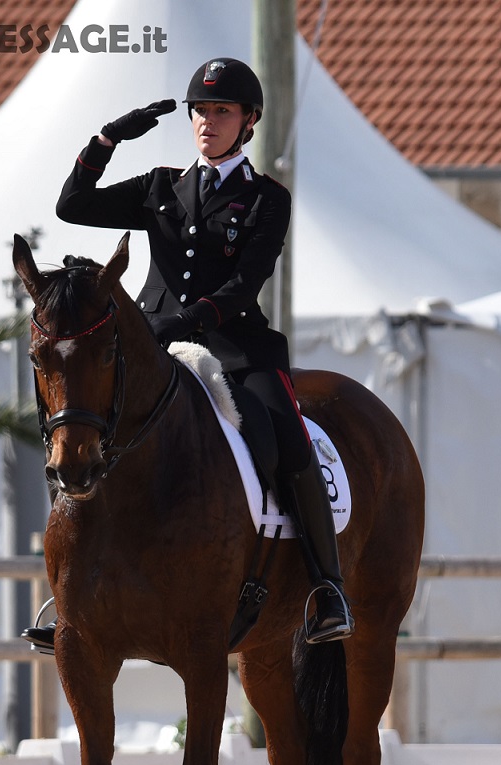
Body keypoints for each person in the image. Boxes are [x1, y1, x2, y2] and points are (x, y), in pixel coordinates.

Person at [23, 57, 353, 651]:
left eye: (222, 111)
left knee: (285, 438)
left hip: (233, 344)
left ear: (248, 121)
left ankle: (326, 587)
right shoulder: (160, 187)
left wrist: (187, 320)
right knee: (79, 421)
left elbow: (243, 285)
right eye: (200, 111)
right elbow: (72, 205)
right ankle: (70, 592)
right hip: (149, 343)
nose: (207, 121)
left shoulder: (266, 198)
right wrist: (107, 139)